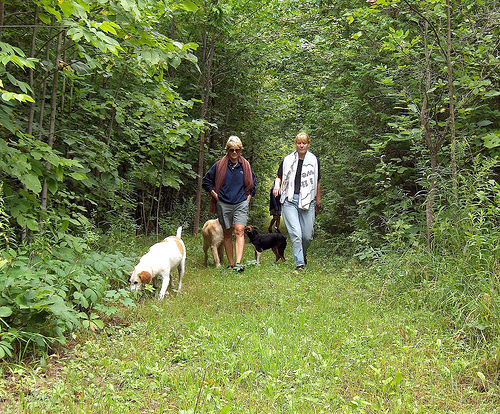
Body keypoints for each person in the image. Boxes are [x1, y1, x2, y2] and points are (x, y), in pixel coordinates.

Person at [202, 135, 257, 272]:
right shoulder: (219, 165)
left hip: (241, 202)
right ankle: (231, 263)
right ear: (227, 150)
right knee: (227, 233)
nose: (234, 152)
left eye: (237, 150)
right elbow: (206, 181)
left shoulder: (245, 166)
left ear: (240, 150)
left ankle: (238, 264)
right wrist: (215, 195)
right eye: (231, 149)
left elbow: (253, 184)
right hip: (224, 203)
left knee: (239, 230)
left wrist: (248, 198)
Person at [273, 132, 321, 271]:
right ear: (295, 144)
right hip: (289, 200)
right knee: (296, 234)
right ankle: (299, 264)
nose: (301, 145)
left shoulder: (314, 160)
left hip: (307, 201)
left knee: (307, 236)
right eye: (299, 143)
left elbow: (317, 181)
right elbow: (279, 176)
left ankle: (303, 254)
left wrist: (318, 200)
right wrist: (277, 186)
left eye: (304, 143)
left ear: (308, 144)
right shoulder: (288, 159)